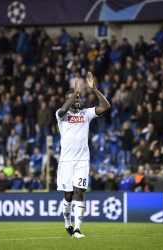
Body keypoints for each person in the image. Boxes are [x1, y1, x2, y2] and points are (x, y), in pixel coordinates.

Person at [56, 72, 110, 238]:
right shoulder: (61, 115)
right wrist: (75, 92)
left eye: (79, 98)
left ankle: (77, 229)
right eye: (74, 98)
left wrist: (94, 89)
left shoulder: (86, 113)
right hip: (66, 161)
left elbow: (106, 106)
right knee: (68, 195)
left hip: (81, 161)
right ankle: (68, 225)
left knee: (79, 192)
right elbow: (64, 109)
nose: (78, 100)